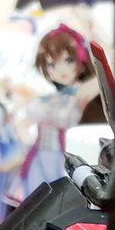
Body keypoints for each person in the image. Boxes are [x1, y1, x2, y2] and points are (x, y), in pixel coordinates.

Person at [17, 23, 98, 198]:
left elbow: (108, 72)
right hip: (38, 158)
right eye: (51, 64)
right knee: (36, 202)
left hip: (65, 159)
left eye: (68, 60)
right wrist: (24, 139)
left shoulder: (81, 93)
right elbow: (24, 124)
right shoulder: (48, 99)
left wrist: (93, 34)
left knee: (60, 201)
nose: (60, 70)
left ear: (82, 61)